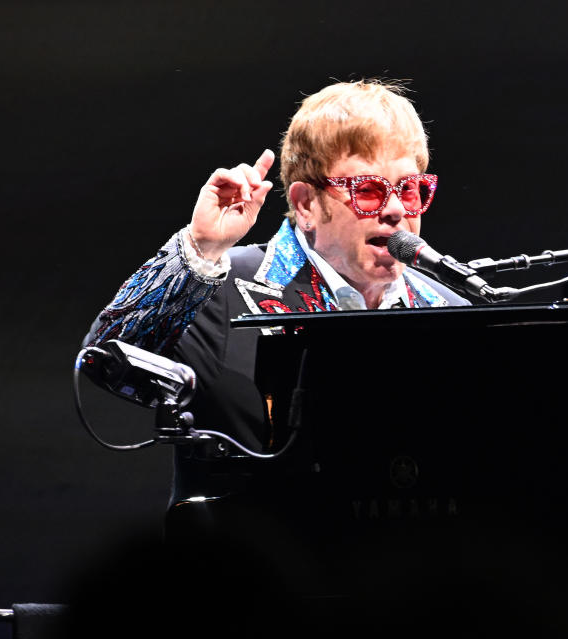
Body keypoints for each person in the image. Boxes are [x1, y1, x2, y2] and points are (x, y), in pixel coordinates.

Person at [83, 79, 469, 504]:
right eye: (370, 191)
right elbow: (104, 359)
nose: (396, 209)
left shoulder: (450, 310)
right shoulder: (219, 288)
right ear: (306, 204)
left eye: (409, 189)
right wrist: (201, 248)